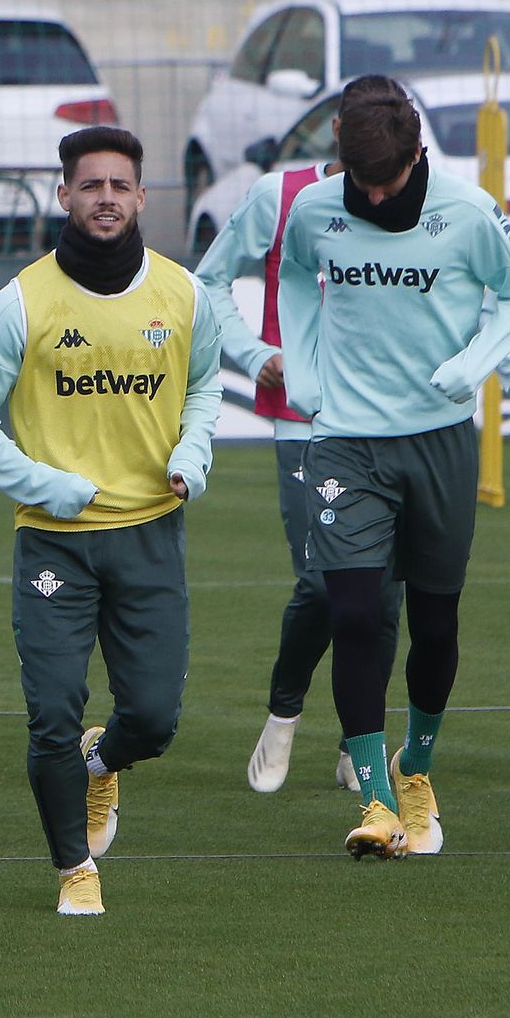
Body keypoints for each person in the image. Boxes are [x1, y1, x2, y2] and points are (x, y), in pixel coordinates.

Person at [278, 87, 510, 859]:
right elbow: (294, 275)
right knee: (355, 613)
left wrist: (474, 363)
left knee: (434, 623)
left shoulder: (467, 210)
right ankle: (376, 799)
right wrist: (304, 365)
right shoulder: (317, 208)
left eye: (388, 181)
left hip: (437, 443)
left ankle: (416, 765)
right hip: (345, 443)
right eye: (362, 181)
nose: (374, 194)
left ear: (417, 155)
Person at [0, 126, 220, 914]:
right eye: (91, 186)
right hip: (53, 539)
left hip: (151, 529)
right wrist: (41, 483)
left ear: (143, 197)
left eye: (120, 186)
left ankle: (104, 761)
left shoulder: (183, 294)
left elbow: (208, 387)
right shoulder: (21, 300)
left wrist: (193, 455)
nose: (106, 199)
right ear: (64, 196)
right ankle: (73, 868)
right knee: (52, 712)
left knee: (152, 718)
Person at [195, 76, 412, 794]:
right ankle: (284, 713)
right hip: (305, 422)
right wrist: (258, 358)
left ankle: (362, 739)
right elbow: (208, 282)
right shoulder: (280, 197)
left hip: (394, 422)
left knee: (383, 597)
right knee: (326, 581)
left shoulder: (419, 206)